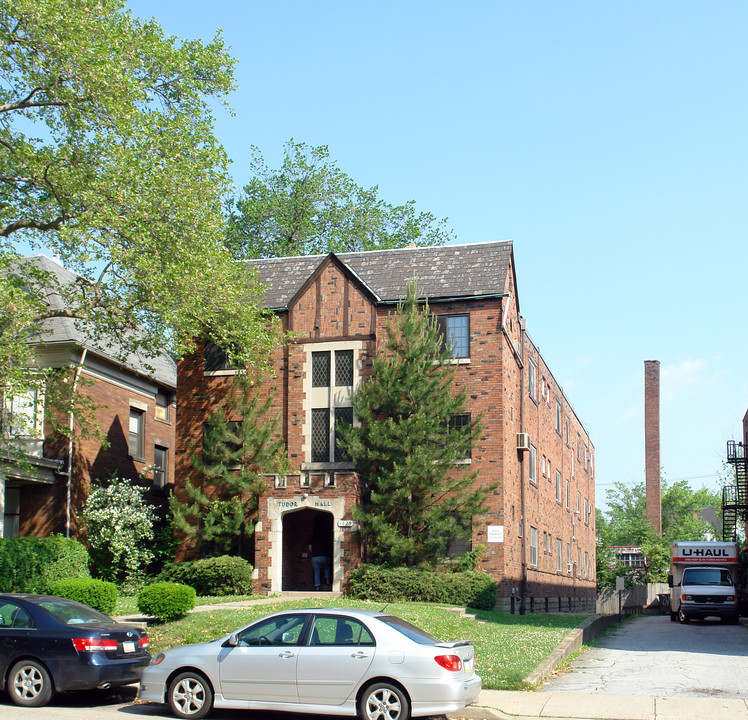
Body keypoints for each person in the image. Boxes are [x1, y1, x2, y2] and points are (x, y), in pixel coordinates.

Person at [309, 523, 331, 591]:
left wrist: (313, 552)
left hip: (314, 557)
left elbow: (309, 548)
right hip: (323, 556)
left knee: (316, 571)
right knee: (326, 566)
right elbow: (328, 547)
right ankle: (327, 580)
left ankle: (317, 586)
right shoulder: (325, 538)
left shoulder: (313, 538)